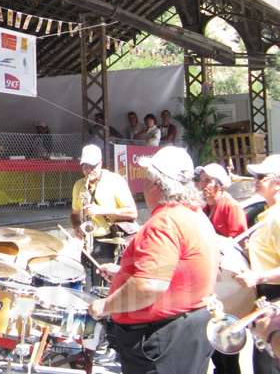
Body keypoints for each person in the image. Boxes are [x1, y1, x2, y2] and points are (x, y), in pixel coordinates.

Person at [88, 146, 218, 374]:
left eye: (146, 181)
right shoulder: (194, 215)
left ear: (156, 184)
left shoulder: (165, 222)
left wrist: (104, 306)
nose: (143, 187)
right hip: (185, 333)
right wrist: (123, 273)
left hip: (161, 340)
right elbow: (176, 270)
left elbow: (149, 286)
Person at [195, 163, 247, 374]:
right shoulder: (205, 209)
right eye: (202, 181)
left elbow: (238, 244)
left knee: (227, 342)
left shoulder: (230, 206)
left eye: (208, 181)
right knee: (215, 341)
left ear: (220, 184)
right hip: (213, 282)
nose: (203, 185)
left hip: (228, 283)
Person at [235, 154, 280, 374]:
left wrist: (258, 276)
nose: (256, 180)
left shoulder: (277, 217)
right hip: (266, 297)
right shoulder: (268, 214)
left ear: (277, 182)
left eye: (262, 177)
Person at [71, 144, 138, 288]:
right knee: (87, 289)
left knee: (103, 288)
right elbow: (75, 213)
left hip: (108, 242)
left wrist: (102, 210)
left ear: (101, 163)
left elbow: (132, 212)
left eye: (92, 167)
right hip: (88, 244)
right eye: (85, 167)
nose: (88, 171)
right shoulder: (79, 185)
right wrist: (76, 227)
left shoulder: (115, 181)